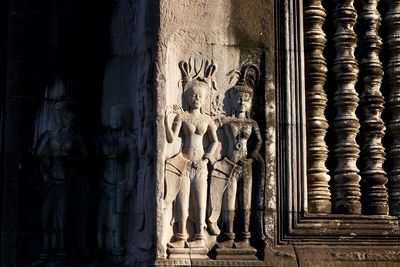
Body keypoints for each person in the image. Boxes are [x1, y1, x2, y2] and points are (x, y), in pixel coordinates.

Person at [207, 64, 263, 248]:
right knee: (228, 199)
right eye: (238, 98)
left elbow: (259, 141)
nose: (241, 102)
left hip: (246, 163)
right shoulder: (228, 120)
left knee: (245, 200)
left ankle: (245, 236)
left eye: (244, 99)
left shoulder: (252, 122)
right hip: (229, 162)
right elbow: (211, 125)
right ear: (233, 100)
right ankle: (229, 233)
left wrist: (253, 155)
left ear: (249, 103)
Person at [164, 60, 218, 249]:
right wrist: (164, 120)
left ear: (204, 99)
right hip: (184, 162)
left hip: (201, 164)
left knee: (201, 202)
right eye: (193, 95)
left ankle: (200, 235)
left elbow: (215, 141)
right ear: (188, 97)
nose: (196, 98)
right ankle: (180, 235)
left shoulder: (207, 119)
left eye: (200, 96)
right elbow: (171, 139)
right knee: (183, 202)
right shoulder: (182, 117)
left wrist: (208, 157)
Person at [32, 101, 87, 266]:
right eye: (66, 117)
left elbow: (85, 157)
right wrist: (44, 170)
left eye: (71, 118)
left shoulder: (75, 136)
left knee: (61, 219)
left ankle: (60, 254)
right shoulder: (50, 135)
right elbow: (37, 154)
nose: (69, 121)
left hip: (65, 181)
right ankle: (45, 253)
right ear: (60, 118)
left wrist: (71, 163)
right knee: (45, 216)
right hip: (49, 181)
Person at [96, 105, 137, 261]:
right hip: (104, 181)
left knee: (117, 219)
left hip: (120, 182)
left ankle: (118, 251)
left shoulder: (129, 140)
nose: (113, 121)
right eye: (112, 117)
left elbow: (133, 164)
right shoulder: (105, 139)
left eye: (117, 117)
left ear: (124, 120)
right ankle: (100, 250)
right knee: (101, 218)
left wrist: (130, 181)